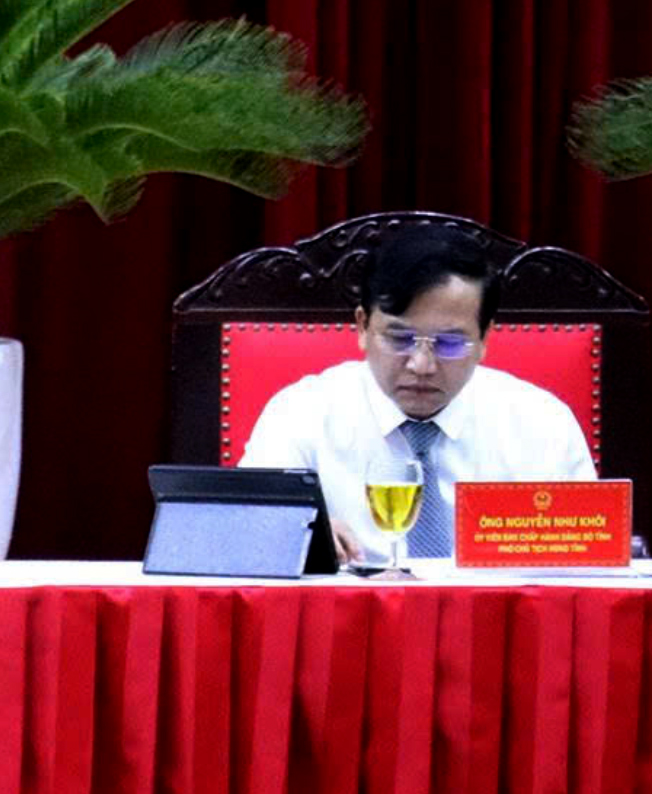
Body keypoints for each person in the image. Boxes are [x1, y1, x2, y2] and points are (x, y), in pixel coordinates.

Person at [240, 224, 594, 562]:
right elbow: (247, 534)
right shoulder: (300, 413)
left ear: (485, 339)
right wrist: (292, 536)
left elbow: (586, 562)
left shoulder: (542, 424)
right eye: (400, 339)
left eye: (450, 343)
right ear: (362, 326)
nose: (422, 365)